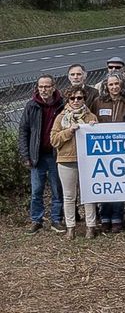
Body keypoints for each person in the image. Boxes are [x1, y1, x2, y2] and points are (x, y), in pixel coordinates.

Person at [50, 85, 99, 240]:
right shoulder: (60, 118)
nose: (76, 101)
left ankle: (91, 226)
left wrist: (94, 129)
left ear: (84, 99)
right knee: (69, 196)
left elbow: (99, 139)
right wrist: (68, 131)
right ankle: (70, 227)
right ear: (68, 99)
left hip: (87, 161)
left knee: (89, 195)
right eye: (73, 98)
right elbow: (54, 140)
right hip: (66, 160)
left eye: (79, 98)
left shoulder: (91, 117)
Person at [19, 74, 65, 234]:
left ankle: (56, 220)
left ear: (53, 87)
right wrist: (25, 155)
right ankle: (36, 220)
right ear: (37, 88)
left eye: (47, 86)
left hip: (56, 155)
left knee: (57, 190)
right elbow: (23, 131)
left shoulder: (62, 105)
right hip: (36, 156)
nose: (44, 89)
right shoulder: (31, 106)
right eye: (41, 87)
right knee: (36, 191)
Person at [90, 73, 125, 233]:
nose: (114, 87)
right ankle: (104, 216)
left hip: (122, 149)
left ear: (121, 86)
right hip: (103, 150)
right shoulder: (98, 102)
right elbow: (91, 118)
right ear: (106, 86)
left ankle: (117, 217)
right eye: (111, 84)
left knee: (119, 184)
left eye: (117, 84)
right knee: (106, 184)